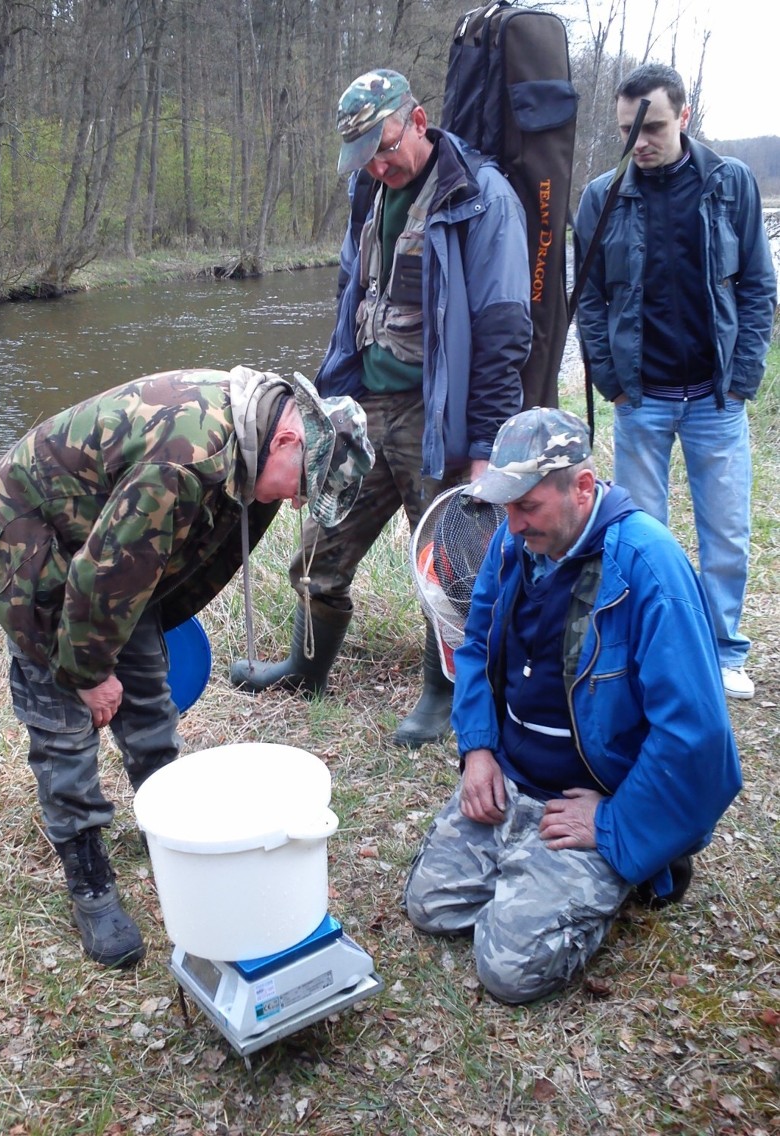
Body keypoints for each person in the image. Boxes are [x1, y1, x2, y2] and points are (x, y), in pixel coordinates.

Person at [0, 366, 373, 969]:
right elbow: (102, 577)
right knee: (63, 718)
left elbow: (147, 569)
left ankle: (172, 822)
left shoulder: (256, 437)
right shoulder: (184, 460)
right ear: (289, 439)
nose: (295, 500)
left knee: (147, 694)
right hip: (31, 528)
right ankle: (88, 875)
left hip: (111, 542)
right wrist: (88, 672)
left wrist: (134, 641)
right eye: (302, 485)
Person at [230, 69, 532, 747]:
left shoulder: (481, 199)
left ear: (418, 121)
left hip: (439, 414)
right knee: (320, 545)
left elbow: (504, 330)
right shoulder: (367, 191)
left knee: (447, 560)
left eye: (385, 146)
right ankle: (305, 670)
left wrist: (484, 446)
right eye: (364, 154)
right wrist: (325, 398)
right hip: (366, 403)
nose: (378, 162)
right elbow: (349, 298)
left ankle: (442, 693)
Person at [404, 406, 742, 1004]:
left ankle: (638, 858)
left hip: (590, 799)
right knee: (430, 906)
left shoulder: (647, 566)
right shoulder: (515, 546)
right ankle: (534, 860)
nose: (510, 526)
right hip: (512, 777)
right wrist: (478, 749)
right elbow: (476, 645)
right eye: (505, 508)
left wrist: (613, 824)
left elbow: (698, 738)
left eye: (527, 506)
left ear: (582, 488)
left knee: (507, 970)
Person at [574, 63, 777, 701]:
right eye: (629, 130)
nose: (641, 140)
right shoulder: (600, 196)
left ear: (683, 116)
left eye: (653, 126)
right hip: (641, 400)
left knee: (726, 534)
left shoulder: (730, 184)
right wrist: (610, 380)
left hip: (717, 399)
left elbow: (757, 287)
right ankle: (654, 654)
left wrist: (743, 377)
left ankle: (721, 653)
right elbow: (590, 301)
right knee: (640, 539)